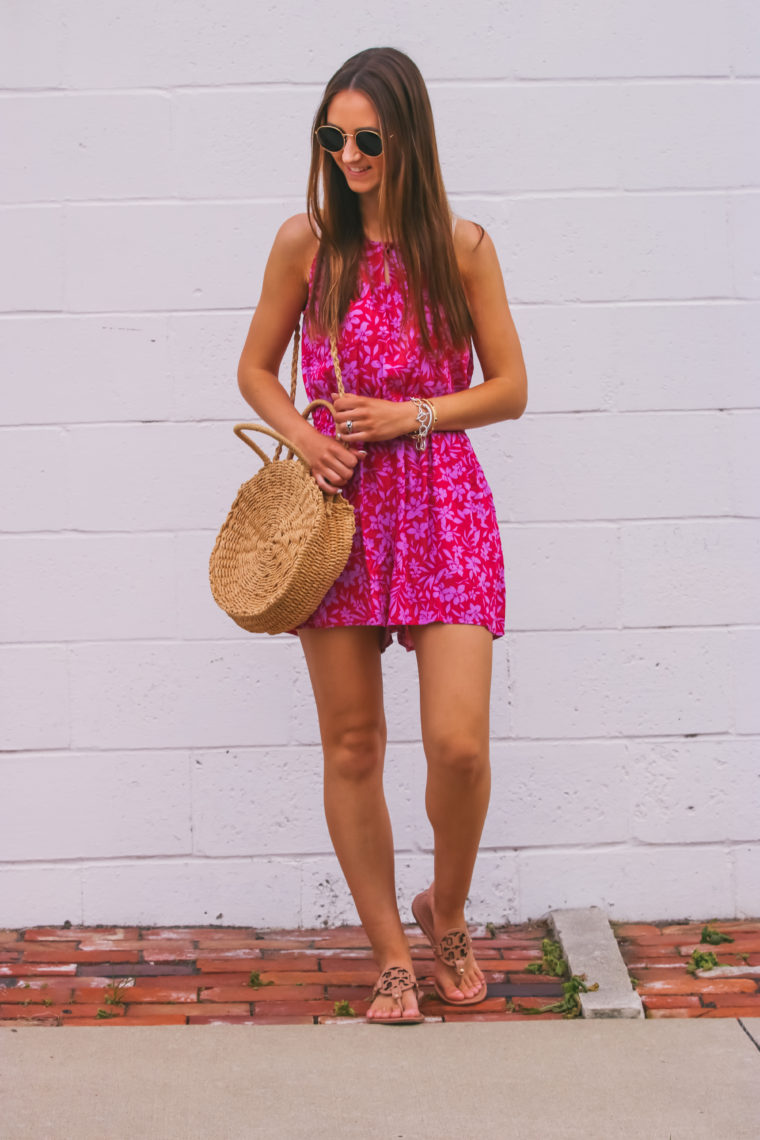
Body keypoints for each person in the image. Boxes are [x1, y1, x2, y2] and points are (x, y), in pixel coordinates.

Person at [237, 46, 527, 1024]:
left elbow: (511, 388)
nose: (349, 154)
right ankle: (393, 957)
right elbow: (255, 371)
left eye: (367, 137)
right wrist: (305, 438)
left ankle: (445, 906)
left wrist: (416, 417)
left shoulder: (462, 246)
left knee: (458, 746)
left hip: (440, 501)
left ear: (408, 138)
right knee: (353, 744)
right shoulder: (304, 247)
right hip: (338, 513)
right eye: (333, 136)